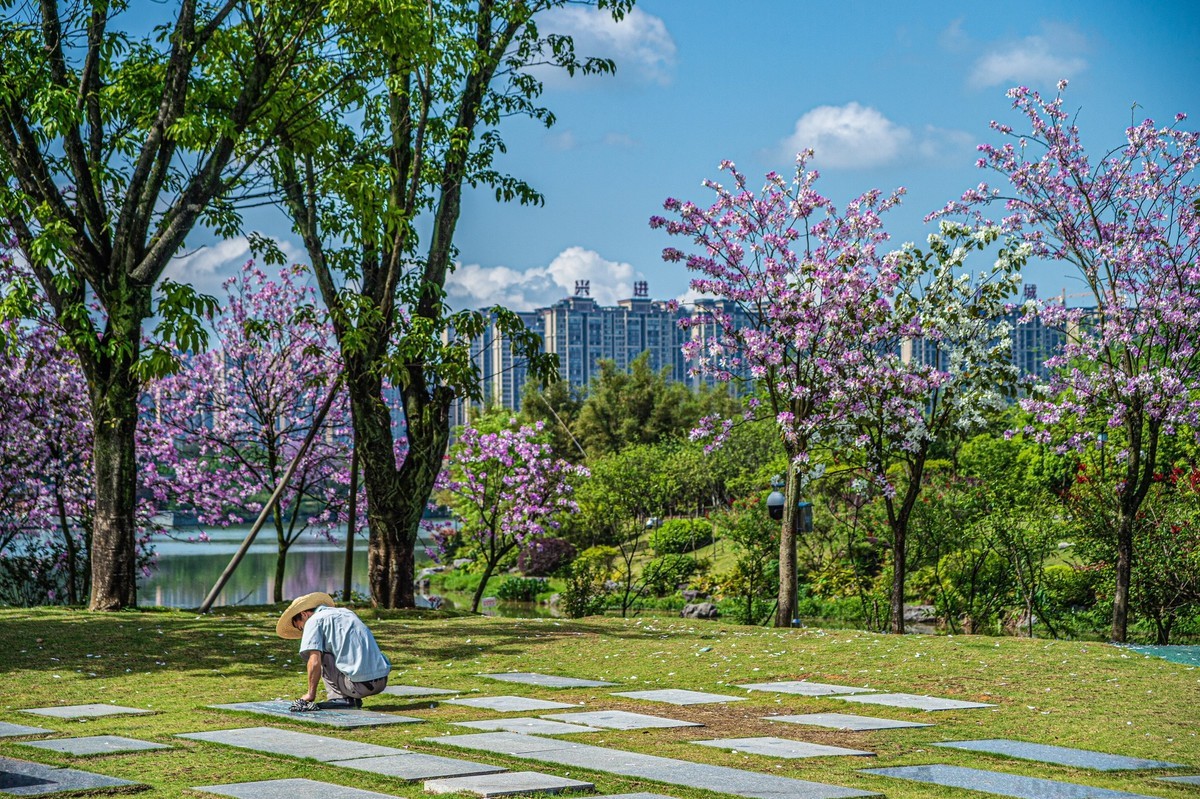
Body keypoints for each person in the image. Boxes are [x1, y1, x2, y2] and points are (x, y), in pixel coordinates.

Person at [275, 591, 392, 712]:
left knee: (318, 654)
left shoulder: (313, 621)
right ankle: (348, 697)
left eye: (300, 627)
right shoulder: (347, 613)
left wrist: (310, 694)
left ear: (304, 614)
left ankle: (340, 699)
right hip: (381, 681)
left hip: (360, 685)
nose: (303, 631)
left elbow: (314, 662)